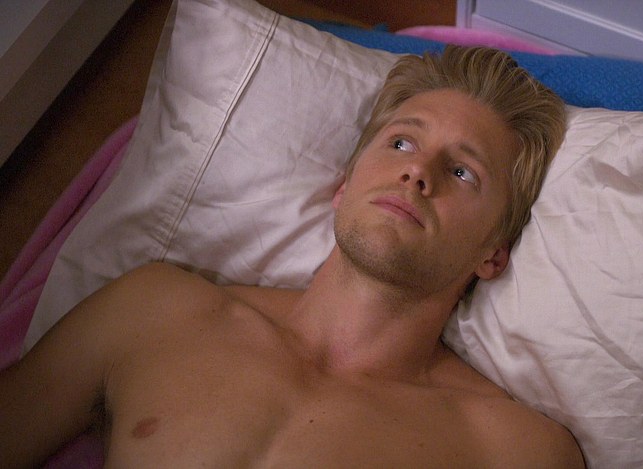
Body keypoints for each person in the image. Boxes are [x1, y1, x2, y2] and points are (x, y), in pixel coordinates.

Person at [0, 45, 583, 468]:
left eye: (462, 172)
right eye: (401, 141)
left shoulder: (509, 448)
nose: (416, 171)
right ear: (344, 186)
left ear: (493, 253)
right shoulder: (155, 311)